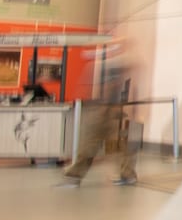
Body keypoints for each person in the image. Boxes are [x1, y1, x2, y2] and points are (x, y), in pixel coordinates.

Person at [57, 49, 138, 188]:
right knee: (97, 142)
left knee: (106, 143)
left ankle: (75, 176)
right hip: (103, 108)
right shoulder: (105, 65)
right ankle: (74, 175)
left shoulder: (116, 65)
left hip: (110, 110)